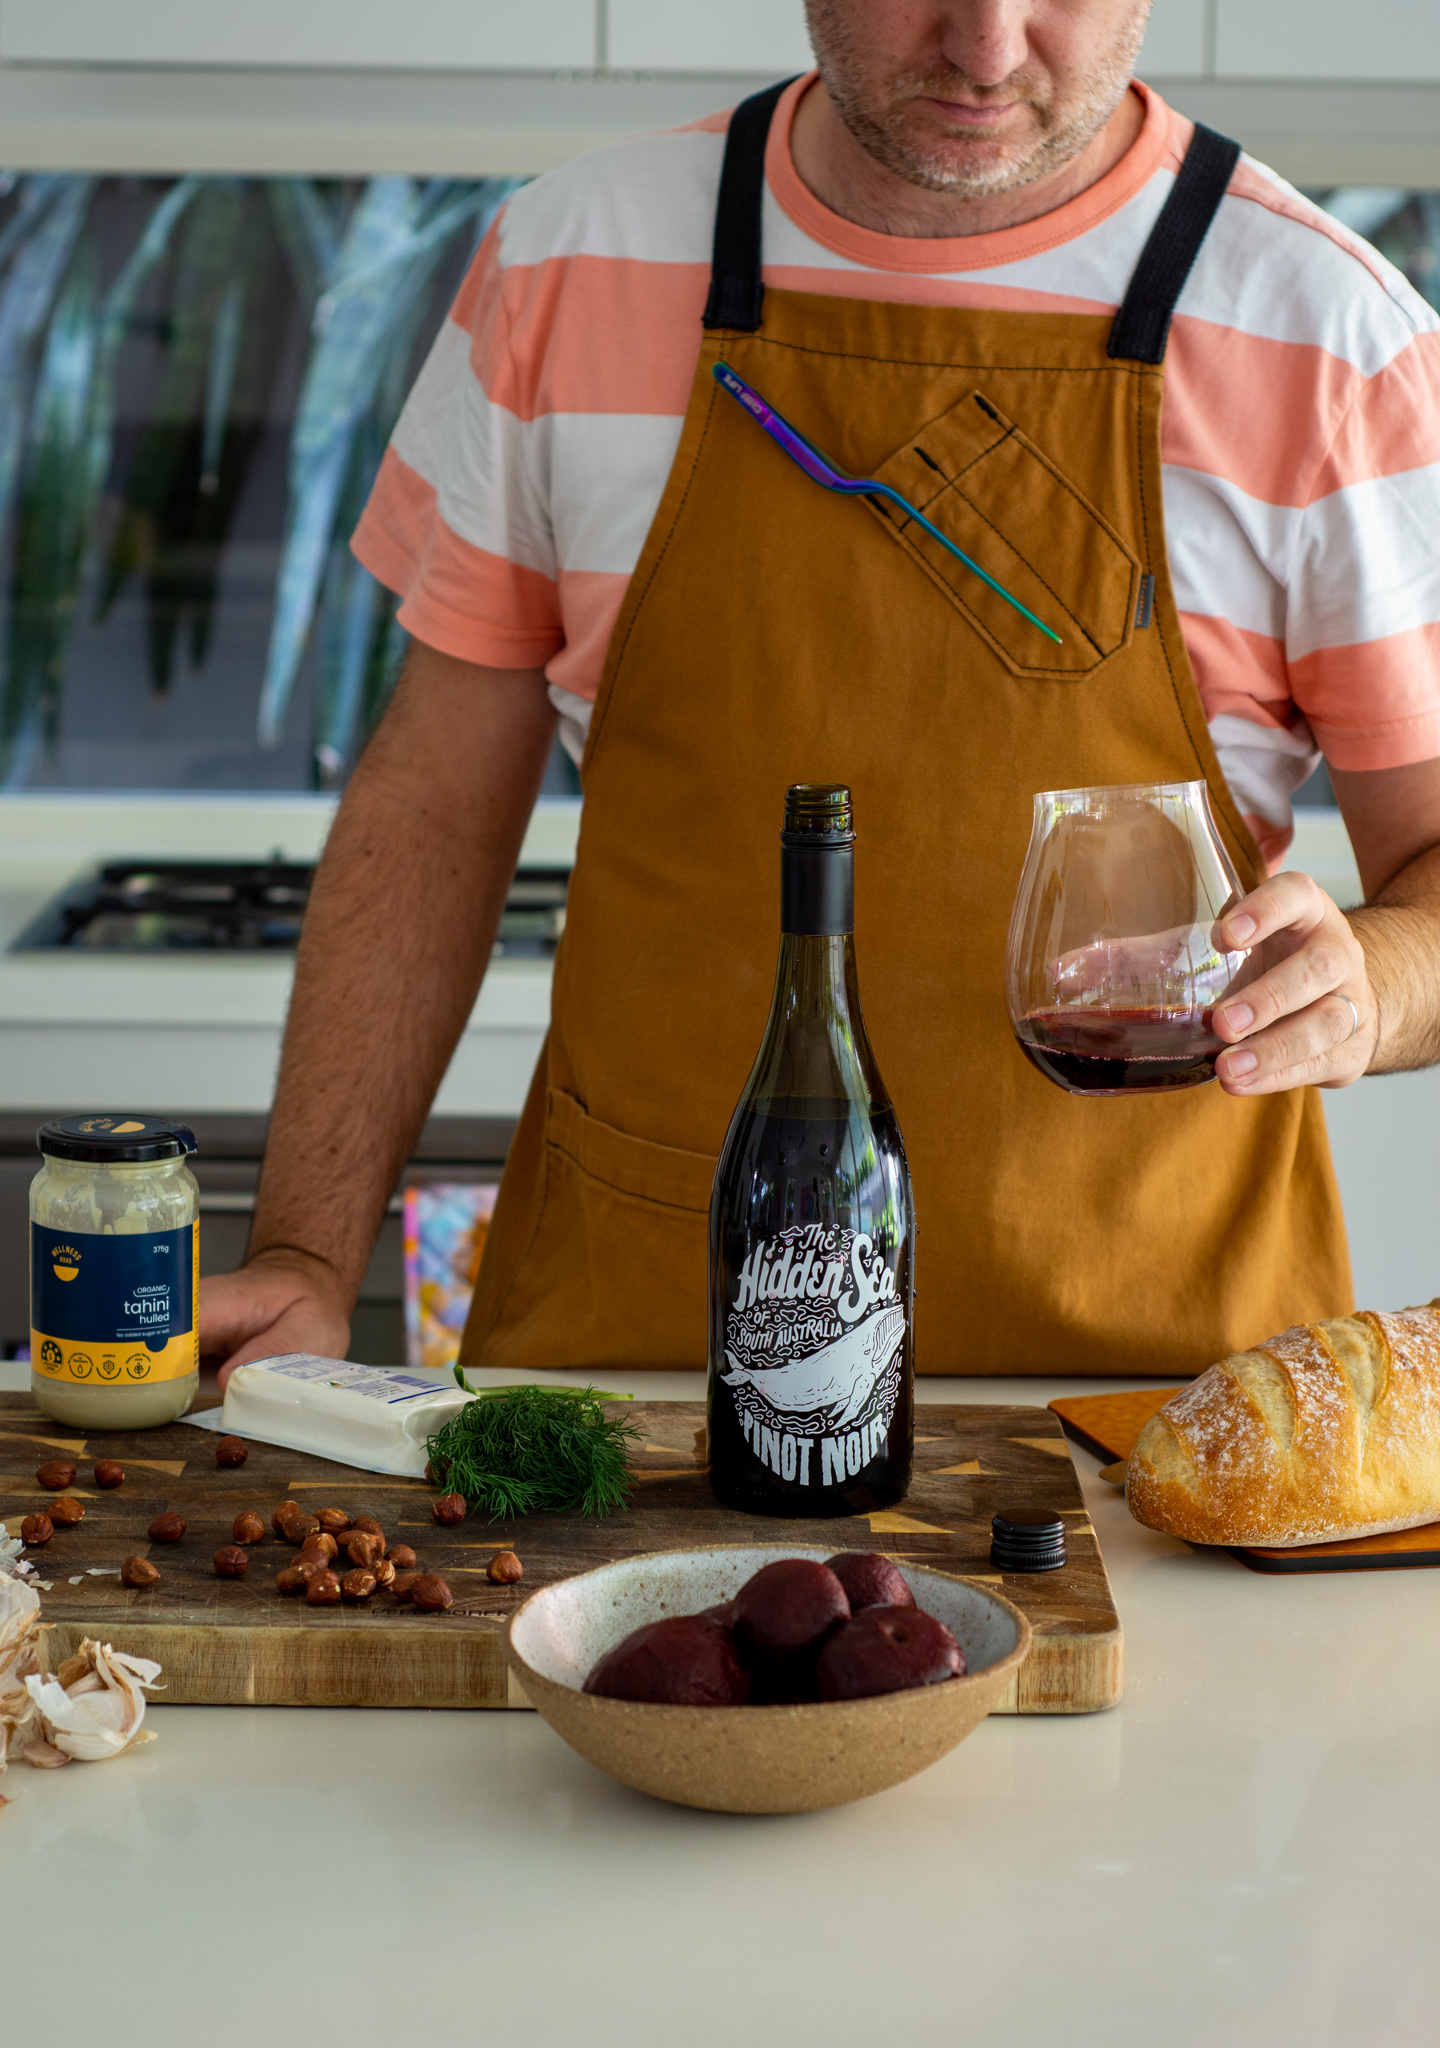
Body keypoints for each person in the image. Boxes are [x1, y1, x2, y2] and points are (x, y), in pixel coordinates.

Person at [203, 0, 1440, 1386]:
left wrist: (1379, 980)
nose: (986, 45)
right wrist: (308, 1257)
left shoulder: (1333, 339)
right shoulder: (570, 265)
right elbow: (431, 805)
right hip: (649, 1373)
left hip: (1152, 1395)